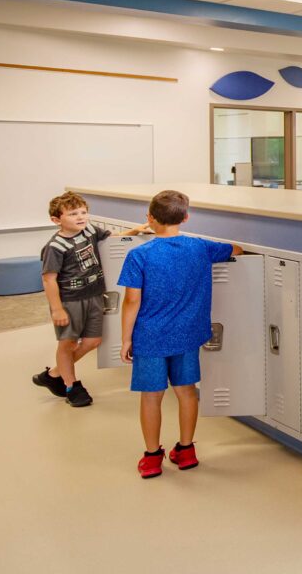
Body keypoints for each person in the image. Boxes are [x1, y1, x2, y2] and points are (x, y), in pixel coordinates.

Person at [119, 189, 241, 479]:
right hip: (187, 334)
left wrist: (126, 339)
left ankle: (151, 457)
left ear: (149, 218)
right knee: (187, 392)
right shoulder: (199, 247)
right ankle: (186, 450)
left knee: (152, 396)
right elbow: (235, 249)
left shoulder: (139, 255)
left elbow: (132, 301)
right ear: (186, 217)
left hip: (151, 338)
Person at [32, 192, 144, 407]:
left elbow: (111, 239)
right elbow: (48, 280)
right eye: (73, 213)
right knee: (68, 343)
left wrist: (136, 231)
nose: (81, 217)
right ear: (56, 220)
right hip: (70, 301)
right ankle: (71, 385)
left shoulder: (90, 230)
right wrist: (57, 309)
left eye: (83, 212)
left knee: (93, 341)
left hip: (94, 296)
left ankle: (54, 373)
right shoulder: (55, 247)